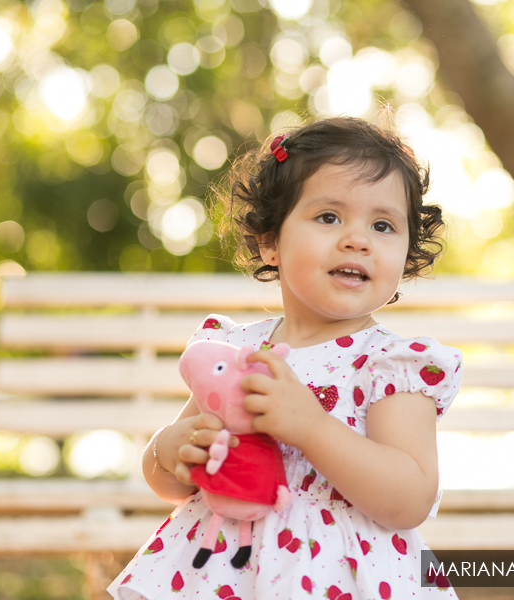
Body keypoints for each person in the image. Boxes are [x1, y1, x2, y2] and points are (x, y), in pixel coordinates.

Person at [108, 116, 462, 599]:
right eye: (329, 217)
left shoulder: (390, 364)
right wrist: (171, 450)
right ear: (269, 241)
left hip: (340, 574)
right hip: (220, 569)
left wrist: (312, 428)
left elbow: (409, 499)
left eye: (382, 225)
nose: (357, 239)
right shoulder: (236, 351)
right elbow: (167, 481)